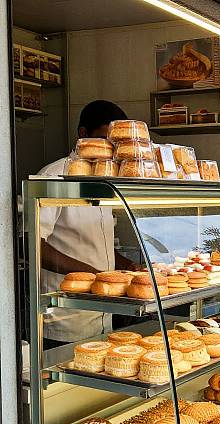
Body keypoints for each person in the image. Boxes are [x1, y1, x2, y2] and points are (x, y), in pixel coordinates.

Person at [39, 100, 138, 347]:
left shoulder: (104, 181)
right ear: (83, 135)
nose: (110, 149)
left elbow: (99, 246)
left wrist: (128, 266)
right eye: (105, 139)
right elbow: (33, 247)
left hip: (103, 316)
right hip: (64, 318)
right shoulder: (55, 177)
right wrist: (96, 275)